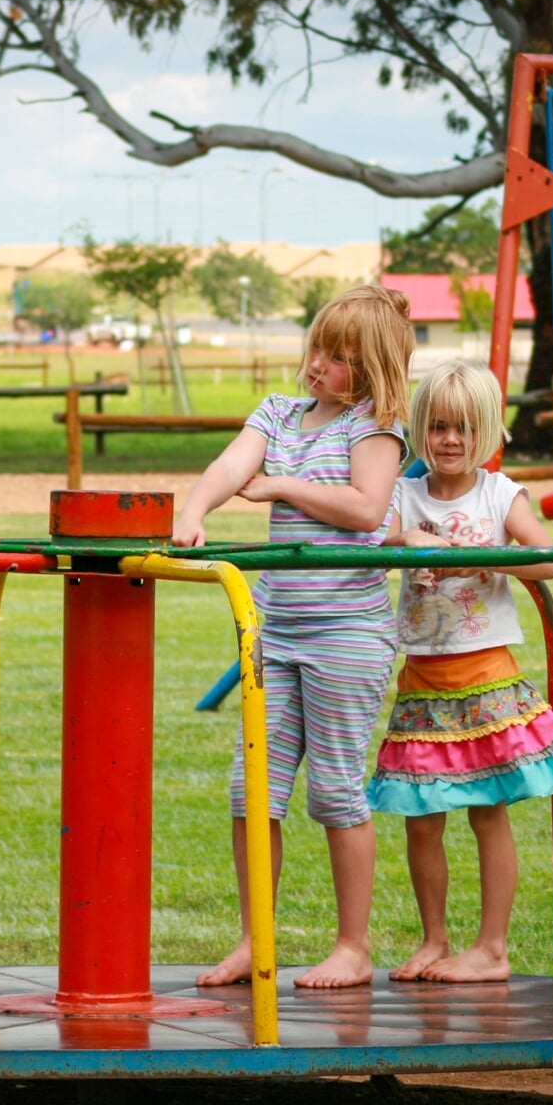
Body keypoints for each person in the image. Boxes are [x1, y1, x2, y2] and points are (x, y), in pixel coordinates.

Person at [172, 284, 412, 989]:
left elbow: (368, 509)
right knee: (251, 791)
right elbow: (229, 468)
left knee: (336, 792)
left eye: (339, 359)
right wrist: (194, 509)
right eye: (317, 348)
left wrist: (281, 488)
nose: (318, 367)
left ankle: (352, 945)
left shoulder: (372, 427)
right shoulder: (278, 414)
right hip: (276, 632)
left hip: (347, 634)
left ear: (368, 373)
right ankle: (256, 937)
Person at [368, 360, 553, 984]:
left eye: (465, 427)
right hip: (423, 681)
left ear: (488, 431)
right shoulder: (403, 496)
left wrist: (490, 555)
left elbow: (547, 561)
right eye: (438, 426)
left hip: (487, 676)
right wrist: (408, 540)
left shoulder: (499, 494)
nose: (450, 440)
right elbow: (373, 539)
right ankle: (434, 938)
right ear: (419, 429)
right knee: (420, 816)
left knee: (489, 811)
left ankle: (492, 947)